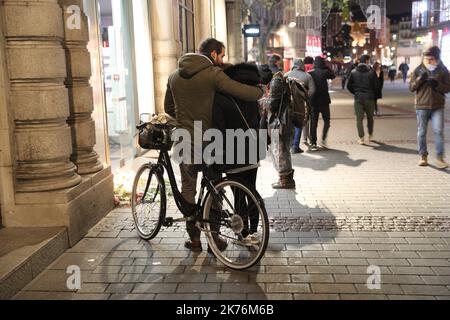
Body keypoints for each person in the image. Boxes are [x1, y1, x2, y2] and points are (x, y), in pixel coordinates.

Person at [164, 38, 264, 252]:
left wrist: (186, 120)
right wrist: (259, 92)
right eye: (222, 55)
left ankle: (194, 239)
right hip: (210, 141)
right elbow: (240, 91)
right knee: (215, 190)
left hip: (183, 140)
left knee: (188, 189)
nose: (223, 60)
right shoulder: (213, 74)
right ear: (213, 55)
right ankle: (215, 238)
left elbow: (168, 107)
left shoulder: (174, 76)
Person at [212, 63, 264, 244]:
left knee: (238, 195)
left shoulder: (221, 98)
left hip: (233, 153)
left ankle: (243, 235)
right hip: (253, 149)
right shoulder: (253, 94)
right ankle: (254, 232)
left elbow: (217, 129)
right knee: (251, 190)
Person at [409, 46, 450, 169]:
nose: (428, 61)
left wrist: (437, 85)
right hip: (422, 105)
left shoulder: (443, 70)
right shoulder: (418, 70)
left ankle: (439, 157)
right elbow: (411, 88)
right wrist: (419, 80)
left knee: (438, 132)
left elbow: (448, 88)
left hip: (438, 106)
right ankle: (423, 156)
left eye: (431, 59)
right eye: (426, 58)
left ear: (437, 59)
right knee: (421, 132)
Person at [285, 58, 316, 154]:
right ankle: (295, 146)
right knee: (299, 123)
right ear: (302, 65)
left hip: (287, 104)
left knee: (289, 123)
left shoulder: (286, 75)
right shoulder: (307, 76)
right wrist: (305, 97)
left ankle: (289, 145)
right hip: (301, 104)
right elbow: (312, 90)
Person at [347, 54, 378, 145]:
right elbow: (376, 86)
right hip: (369, 98)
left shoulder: (353, 72)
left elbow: (348, 86)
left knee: (359, 119)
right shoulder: (372, 72)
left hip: (358, 98)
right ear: (367, 61)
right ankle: (370, 134)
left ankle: (361, 137)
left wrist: (355, 92)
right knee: (370, 118)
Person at [309, 56, 336, 151]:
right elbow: (333, 75)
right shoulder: (325, 72)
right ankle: (323, 139)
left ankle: (313, 143)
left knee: (313, 123)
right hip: (324, 101)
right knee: (327, 121)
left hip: (313, 101)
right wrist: (326, 67)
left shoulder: (310, 73)